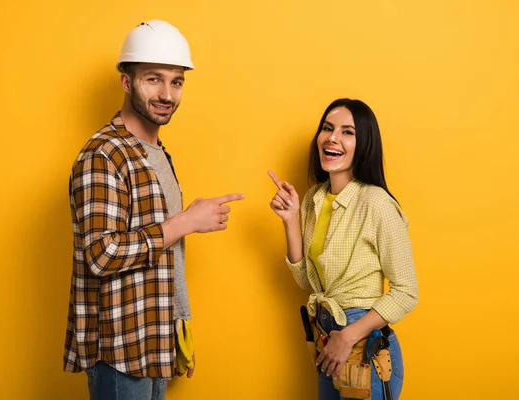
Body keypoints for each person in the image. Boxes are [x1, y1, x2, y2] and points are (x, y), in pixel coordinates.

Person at [63, 20, 244, 400]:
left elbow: (169, 256)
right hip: (119, 349)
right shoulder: (104, 154)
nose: (167, 94)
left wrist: (180, 330)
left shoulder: (158, 154)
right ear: (127, 82)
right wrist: (185, 221)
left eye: (176, 82)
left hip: (156, 342)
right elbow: (101, 254)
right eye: (153, 79)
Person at [268, 98, 418, 399]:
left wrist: (348, 336)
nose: (333, 138)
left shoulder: (377, 204)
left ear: (364, 144)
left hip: (362, 345)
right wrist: (290, 220)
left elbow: (406, 292)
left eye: (347, 132)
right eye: (327, 128)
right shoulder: (314, 199)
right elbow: (305, 282)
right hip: (328, 340)